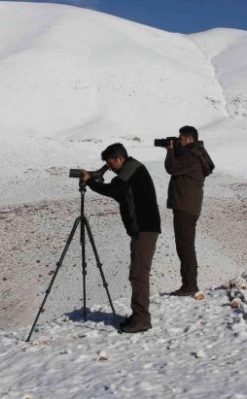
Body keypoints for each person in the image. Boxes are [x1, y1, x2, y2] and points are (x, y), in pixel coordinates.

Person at [80, 143, 161, 333]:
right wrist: (95, 181)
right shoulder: (131, 170)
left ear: (120, 159)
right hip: (142, 228)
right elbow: (122, 195)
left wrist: (91, 181)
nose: (111, 169)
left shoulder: (131, 169)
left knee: (138, 274)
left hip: (145, 229)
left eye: (111, 164)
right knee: (137, 273)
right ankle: (137, 316)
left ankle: (142, 320)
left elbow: (113, 190)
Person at [164, 126, 214, 297]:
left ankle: (190, 285)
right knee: (186, 245)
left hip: (184, 206)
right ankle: (188, 283)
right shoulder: (198, 154)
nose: (179, 141)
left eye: (181, 139)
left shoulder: (191, 155)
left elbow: (171, 168)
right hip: (189, 205)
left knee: (185, 246)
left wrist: (170, 150)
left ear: (189, 139)